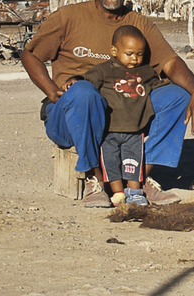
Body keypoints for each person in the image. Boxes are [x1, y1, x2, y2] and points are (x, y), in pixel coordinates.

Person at [22, 0, 194, 207]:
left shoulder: (138, 24)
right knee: (85, 93)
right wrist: (52, 92)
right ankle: (93, 178)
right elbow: (29, 55)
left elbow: (170, 61)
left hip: (125, 114)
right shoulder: (69, 17)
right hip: (68, 114)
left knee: (177, 96)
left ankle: (141, 178)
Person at [69, 25, 163, 206]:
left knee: (133, 161)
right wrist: (74, 80)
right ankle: (117, 193)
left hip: (135, 129)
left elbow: (157, 86)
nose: (134, 59)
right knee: (110, 162)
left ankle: (135, 192)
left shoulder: (145, 71)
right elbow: (86, 84)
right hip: (109, 130)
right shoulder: (103, 70)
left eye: (139, 54)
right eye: (129, 54)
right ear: (114, 51)